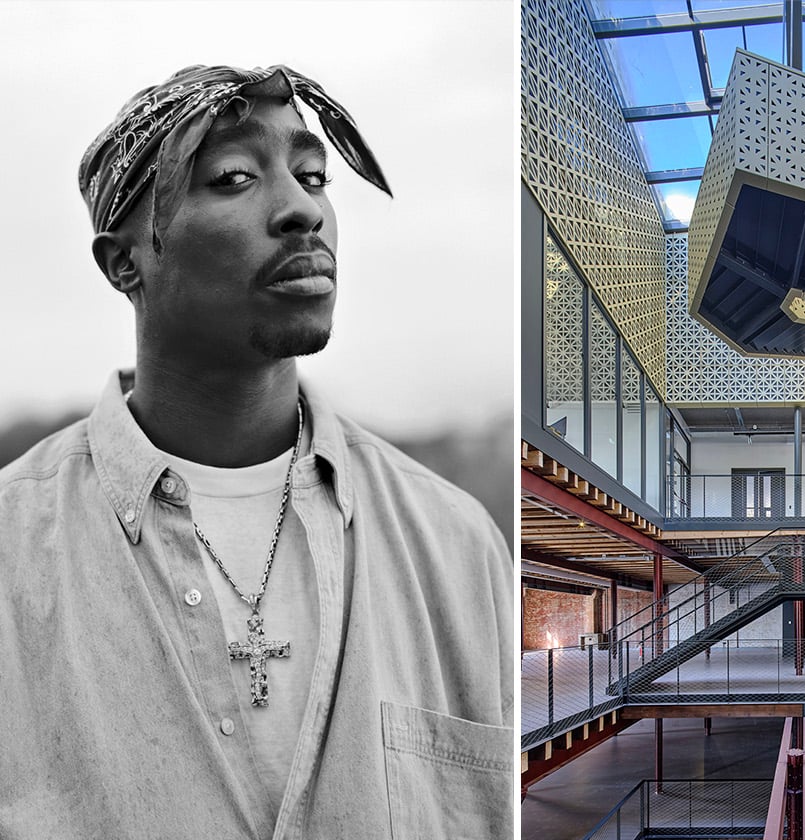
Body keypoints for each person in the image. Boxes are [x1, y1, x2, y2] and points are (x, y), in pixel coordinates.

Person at [0, 65, 513, 838]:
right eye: (234, 177)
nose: (303, 208)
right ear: (124, 262)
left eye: (313, 174)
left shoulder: (456, 542)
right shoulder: (13, 553)